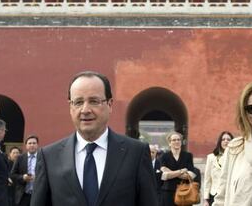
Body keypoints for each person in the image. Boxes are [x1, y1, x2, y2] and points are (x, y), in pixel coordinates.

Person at [31, 71, 158, 206]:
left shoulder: (136, 153)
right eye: (78, 102)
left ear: (109, 104)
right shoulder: (49, 157)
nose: (85, 110)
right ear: (70, 107)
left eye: (94, 101)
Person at [159, 131, 196, 206]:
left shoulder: (188, 156)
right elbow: (165, 176)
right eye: (174, 140)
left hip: (185, 192)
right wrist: (182, 171)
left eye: (178, 140)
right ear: (169, 143)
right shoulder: (164, 156)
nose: (177, 142)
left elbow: (190, 175)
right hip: (168, 192)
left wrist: (171, 173)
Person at [203, 131, 233, 206]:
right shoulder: (211, 157)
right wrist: (206, 199)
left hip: (230, 194)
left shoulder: (235, 157)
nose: (226, 141)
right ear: (220, 142)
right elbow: (207, 179)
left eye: (228, 139)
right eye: (223, 139)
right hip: (214, 193)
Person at [10, 135, 39, 206]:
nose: (32, 145)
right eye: (30, 143)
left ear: (37, 145)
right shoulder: (20, 158)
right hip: (23, 195)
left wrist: (38, 177)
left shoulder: (42, 157)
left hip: (38, 195)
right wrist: (22, 177)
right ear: (26, 145)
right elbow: (12, 175)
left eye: (34, 143)